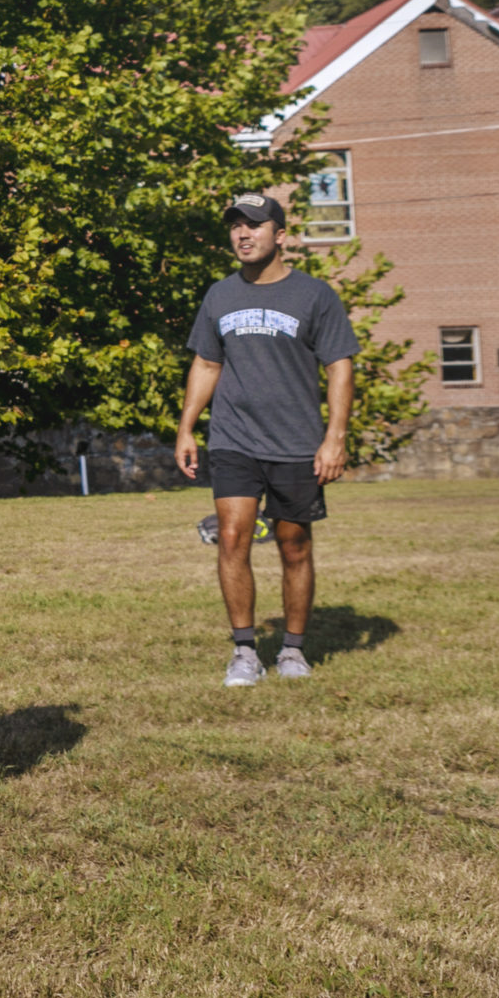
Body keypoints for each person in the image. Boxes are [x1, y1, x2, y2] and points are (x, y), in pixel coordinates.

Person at [174, 192, 357, 689]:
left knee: (293, 544)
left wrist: (334, 438)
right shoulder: (220, 295)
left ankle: (293, 650)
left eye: (254, 225)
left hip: (297, 441)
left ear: (281, 235)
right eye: (235, 226)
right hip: (233, 437)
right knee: (232, 537)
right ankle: (245, 651)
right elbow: (207, 364)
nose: (242, 234)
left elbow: (340, 365)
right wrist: (187, 426)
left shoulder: (315, 296)